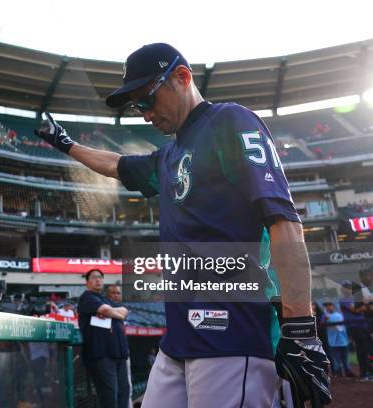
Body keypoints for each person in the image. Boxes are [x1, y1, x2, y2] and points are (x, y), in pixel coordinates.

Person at [35, 43, 330, 407]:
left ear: (182, 77)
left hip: (233, 333)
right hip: (178, 341)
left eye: (147, 100)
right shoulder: (169, 156)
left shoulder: (231, 121)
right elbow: (116, 164)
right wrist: (65, 144)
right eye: (136, 106)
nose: (144, 114)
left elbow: (284, 223)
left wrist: (300, 328)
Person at [77, 269, 129, 408]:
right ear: (87, 282)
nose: (98, 280)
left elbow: (124, 311)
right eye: (94, 277)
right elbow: (106, 311)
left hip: (119, 354)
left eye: (100, 277)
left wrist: (112, 312)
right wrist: (110, 312)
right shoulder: (87, 297)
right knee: (109, 396)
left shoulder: (106, 299)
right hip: (101, 355)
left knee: (123, 394)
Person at [339, 280, 370, 381]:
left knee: (366, 350)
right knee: (361, 350)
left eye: (349, 287)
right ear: (342, 289)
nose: (348, 289)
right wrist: (365, 307)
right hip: (355, 327)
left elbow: (366, 307)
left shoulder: (355, 298)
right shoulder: (344, 300)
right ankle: (364, 374)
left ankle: (367, 372)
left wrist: (365, 306)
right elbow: (355, 310)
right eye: (346, 287)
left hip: (363, 326)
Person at [322, 302, 354, 377]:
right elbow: (322, 322)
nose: (328, 307)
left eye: (329, 305)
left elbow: (345, 326)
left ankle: (347, 371)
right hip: (332, 341)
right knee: (336, 359)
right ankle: (338, 373)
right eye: (327, 306)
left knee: (345, 358)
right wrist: (325, 319)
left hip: (343, 340)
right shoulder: (325, 316)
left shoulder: (339, 315)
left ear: (333, 306)